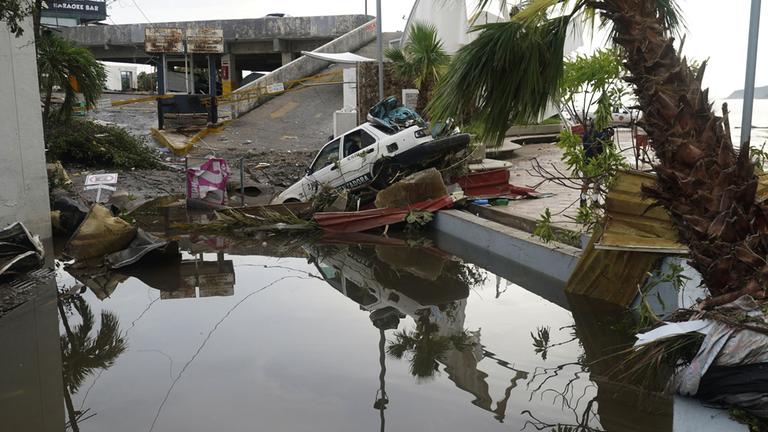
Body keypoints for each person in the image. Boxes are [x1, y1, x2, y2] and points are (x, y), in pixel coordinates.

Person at [580, 119, 615, 207]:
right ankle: (594, 201)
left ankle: (583, 199)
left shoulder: (586, 134)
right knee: (597, 182)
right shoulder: (600, 135)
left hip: (588, 161)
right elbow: (609, 145)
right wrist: (609, 136)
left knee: (587, 181)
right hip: (597, 162)